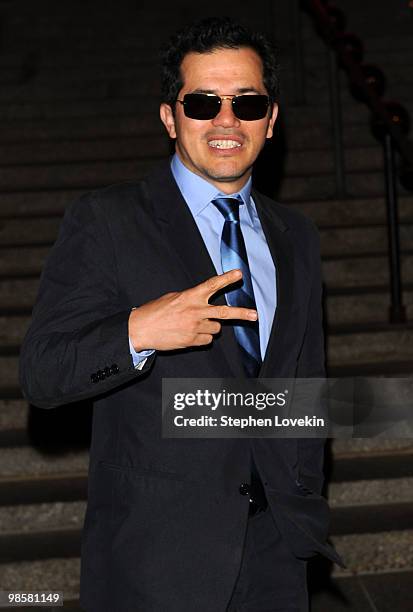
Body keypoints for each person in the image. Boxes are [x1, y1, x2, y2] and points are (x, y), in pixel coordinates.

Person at [19, 16, 342, 612]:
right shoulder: (109, 221)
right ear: (170, 116)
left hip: (277, 559)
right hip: (156, 564)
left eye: (247, 103)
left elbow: (302, 388)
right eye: (202, 102)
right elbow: (42, 373)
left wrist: (304, 502)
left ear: (271, 121)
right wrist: (137, 332)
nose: (226, 120)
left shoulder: (296, 235)